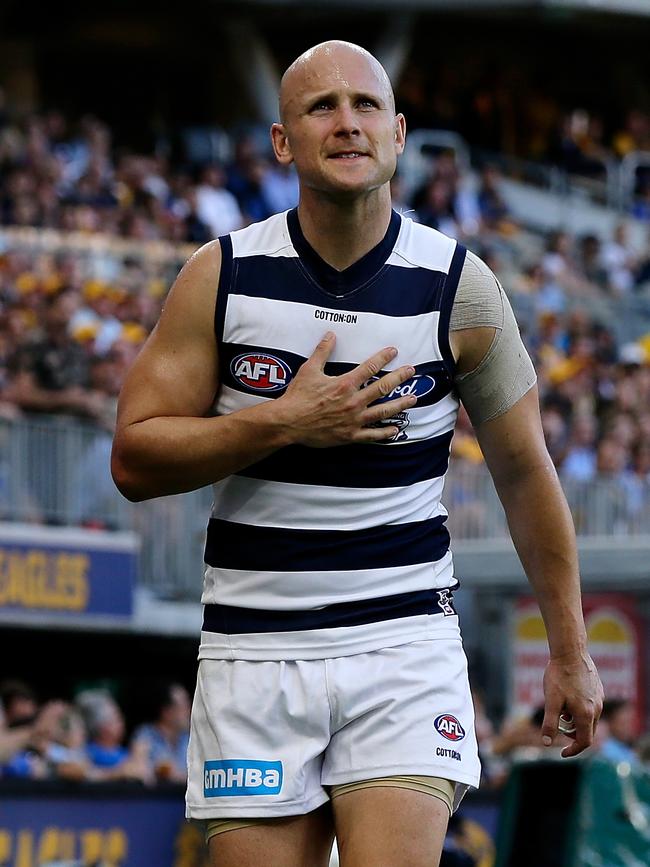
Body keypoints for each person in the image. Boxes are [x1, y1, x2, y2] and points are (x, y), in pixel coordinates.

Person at [112, 40, 603, 867]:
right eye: (321, 108)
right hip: (254, 648)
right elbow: (135, 458)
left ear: (400, 132)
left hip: (402, 641)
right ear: (282, 142)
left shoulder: (463, 287)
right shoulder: (220, 275)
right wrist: (283, 422)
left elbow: (525, 473)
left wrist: (571, 649)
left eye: (366, 105)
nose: (347, 124)